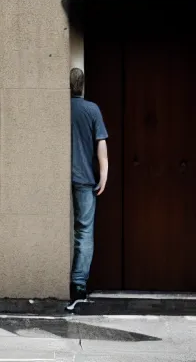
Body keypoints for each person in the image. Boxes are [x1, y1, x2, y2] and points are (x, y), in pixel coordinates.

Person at [66, 68, 109, 312]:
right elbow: (100, 144)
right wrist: (103, 175)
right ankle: (79, 285)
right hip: (85, 178)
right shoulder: (92, 110)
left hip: (62, 179)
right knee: (84, 231)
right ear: (82, 86)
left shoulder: (60, 110)